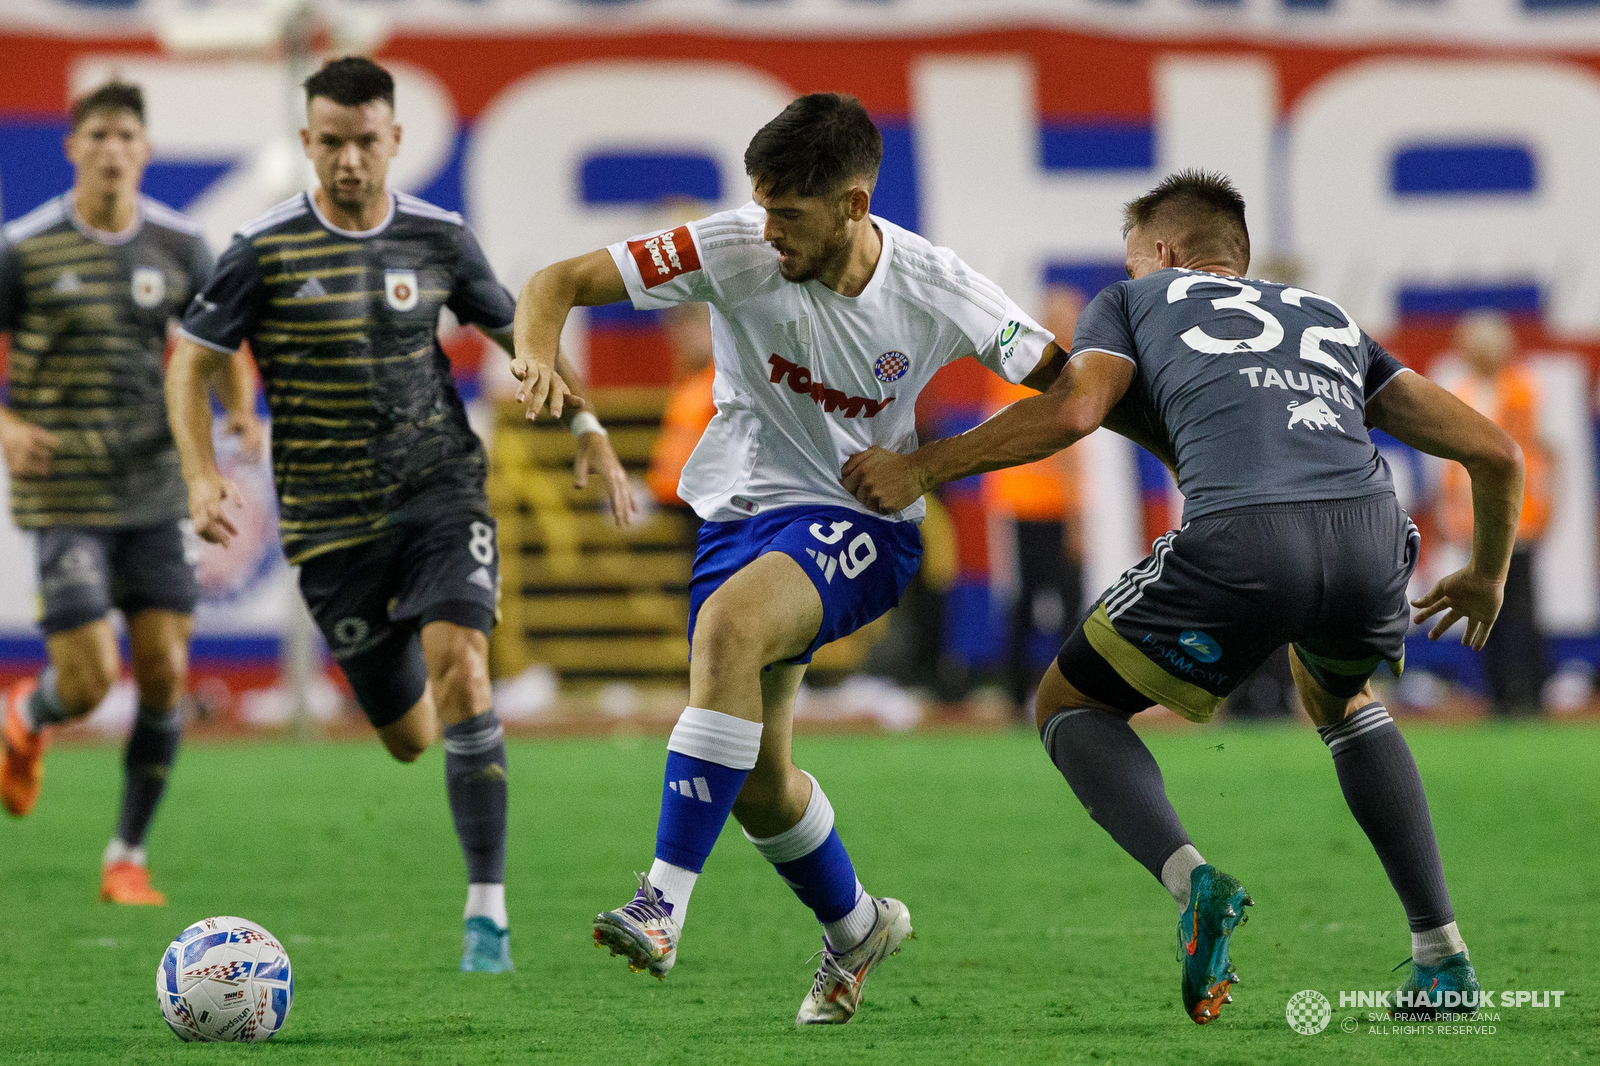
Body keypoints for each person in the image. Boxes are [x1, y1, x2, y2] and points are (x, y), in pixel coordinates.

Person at [842, 171, 1523, 1025]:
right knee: (1342, 695)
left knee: (1066, 704)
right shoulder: (1326, 316)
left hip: (1244, 539)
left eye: (1136, 260)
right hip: (1372, 538)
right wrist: (1489, 576)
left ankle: (1193, 879)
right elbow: (1496, 453)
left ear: (1160, 254)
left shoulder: (1134, 301)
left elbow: (1073, 411)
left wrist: (922, 467)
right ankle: (1444, 960)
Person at [512, 92, 1066, 1024]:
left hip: (862, 515)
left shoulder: (938, 286)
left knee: (729, 628)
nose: (767, 232)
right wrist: (537, 356)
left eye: (789, 214)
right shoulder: (732, 245)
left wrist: (927, 464)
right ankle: (857, 929)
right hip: (740, 514)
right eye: (761, 207)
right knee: (758, 787)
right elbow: (554, 283)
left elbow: (1069, 390)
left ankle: (660, 901)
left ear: (854, 204)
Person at [165, 56, 632, 972]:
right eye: (331, 143)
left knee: (463, 671)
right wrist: (199, 473)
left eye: (365, 142)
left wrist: (586, 419)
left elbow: (518, 332)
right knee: (413, 736)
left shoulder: (438, 238)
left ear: (395, 142)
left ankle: (488, 910)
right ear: (307, 143)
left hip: (440, 491)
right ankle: (430, 734)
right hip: (329, 525)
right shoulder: (260, 249)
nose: (349, 160)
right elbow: (192, 358)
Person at [0, 81, 262, 906]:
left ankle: (127, 856)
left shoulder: (181, 245)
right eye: (99, 134)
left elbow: (221, 343)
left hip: (154, 486)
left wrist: (242, 417)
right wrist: (5, 424)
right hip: (64, 488)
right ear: (73, 147)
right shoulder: (26, 247)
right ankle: (27, 715)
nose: (113, 148)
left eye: (127, 136)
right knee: (86, 681)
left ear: (144, 150)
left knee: (165, 671)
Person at [1437, 310, 1551, 715]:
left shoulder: (1523, 390)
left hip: (1518, 520)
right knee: (1484, 609)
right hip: (1473, 524)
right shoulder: (1463, 391)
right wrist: (1450, 514)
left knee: (1521, 608)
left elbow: (1542, 455)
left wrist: (1547, 508)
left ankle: (1530, 694)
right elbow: (1452, 465)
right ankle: (1498, 693)